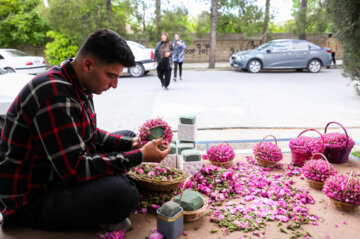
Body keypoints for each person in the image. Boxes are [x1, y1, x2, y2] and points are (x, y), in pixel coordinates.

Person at [0, 29, 170, 231]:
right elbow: (75, 170)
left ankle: (106, 193)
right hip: (31, 199)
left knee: (128, 137)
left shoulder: (77, 81)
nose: (114, 85)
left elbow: (91, 133)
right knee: (125, 194)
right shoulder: (54, 94)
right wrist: (139, 156)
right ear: (88, 64)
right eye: (111, 76)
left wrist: (131, 145)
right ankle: (101, 207)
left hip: (57, 170)